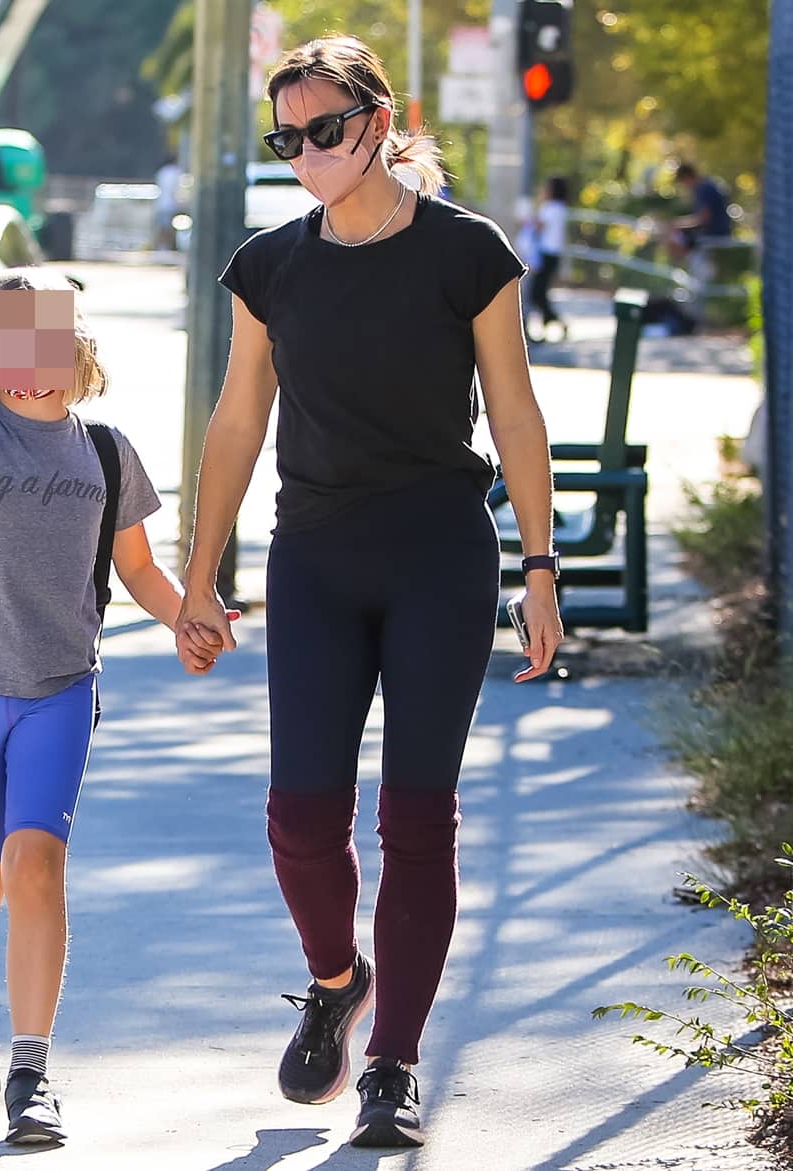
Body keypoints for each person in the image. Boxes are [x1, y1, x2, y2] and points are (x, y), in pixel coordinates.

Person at [175, 34, 562, 1150]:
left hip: (441, 551)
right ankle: (336, 978)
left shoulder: (466, 251)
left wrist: (541, 568)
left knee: (417, 819)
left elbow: (516, 413)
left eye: (325, 129)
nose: (305, 152)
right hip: (315, 558)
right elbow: (238, 422)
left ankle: (392, 1062)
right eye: (285, 137)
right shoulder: (271, 267)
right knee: (299, 816)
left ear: (380, 123)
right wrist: (200, 576)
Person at [0, 268, 221, 1145]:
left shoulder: (106, 452)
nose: (27, 372)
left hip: (61, 687)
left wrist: (188, 618)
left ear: (75, 350)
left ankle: (32, 1068)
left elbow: (135, 567)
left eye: (42, 349)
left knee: (38, 865)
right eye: (5, 353)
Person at [527, 175, 569, 343]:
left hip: (545, 254)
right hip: (553, 254)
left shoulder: (549, 208)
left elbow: (538, 226)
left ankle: (554, 322)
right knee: (541, 292)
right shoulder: (561, 208)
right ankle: (547, 327)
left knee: (537, 293)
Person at [668, 161, 733, 270]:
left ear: (687, 177)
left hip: (714, 234)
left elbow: (703, 219)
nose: (684, 186)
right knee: (676, 237)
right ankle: (684, 269)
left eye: (682, 182)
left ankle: (680, 269)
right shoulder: (705, 185)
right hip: (714, 232)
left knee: (674, 237)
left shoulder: (703, 188)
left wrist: (678, 223)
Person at [153, 154, 182, 251]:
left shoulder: (162, 172)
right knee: (169, 228)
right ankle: (167, 247)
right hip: (171, 205)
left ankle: (160, 247)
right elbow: (176, 190)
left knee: (161, 227)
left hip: (160, 204)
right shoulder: (176, 172)